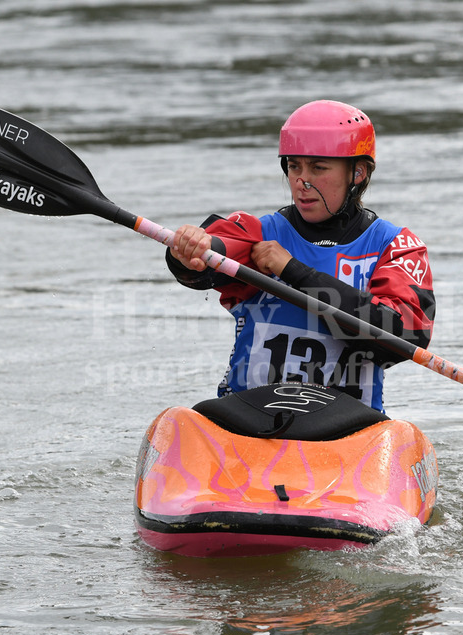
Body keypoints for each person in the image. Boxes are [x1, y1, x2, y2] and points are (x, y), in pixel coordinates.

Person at [166, 100, 434, 413]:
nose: (302, 182)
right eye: (294, 166)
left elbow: (402, 339)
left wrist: (293, 271)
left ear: (358, 172)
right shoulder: (259, 234)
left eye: (318, 168)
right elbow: (215, 254)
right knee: (178, 418)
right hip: (246, 421)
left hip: (349, 430)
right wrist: (190, 252)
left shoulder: (395, 246)